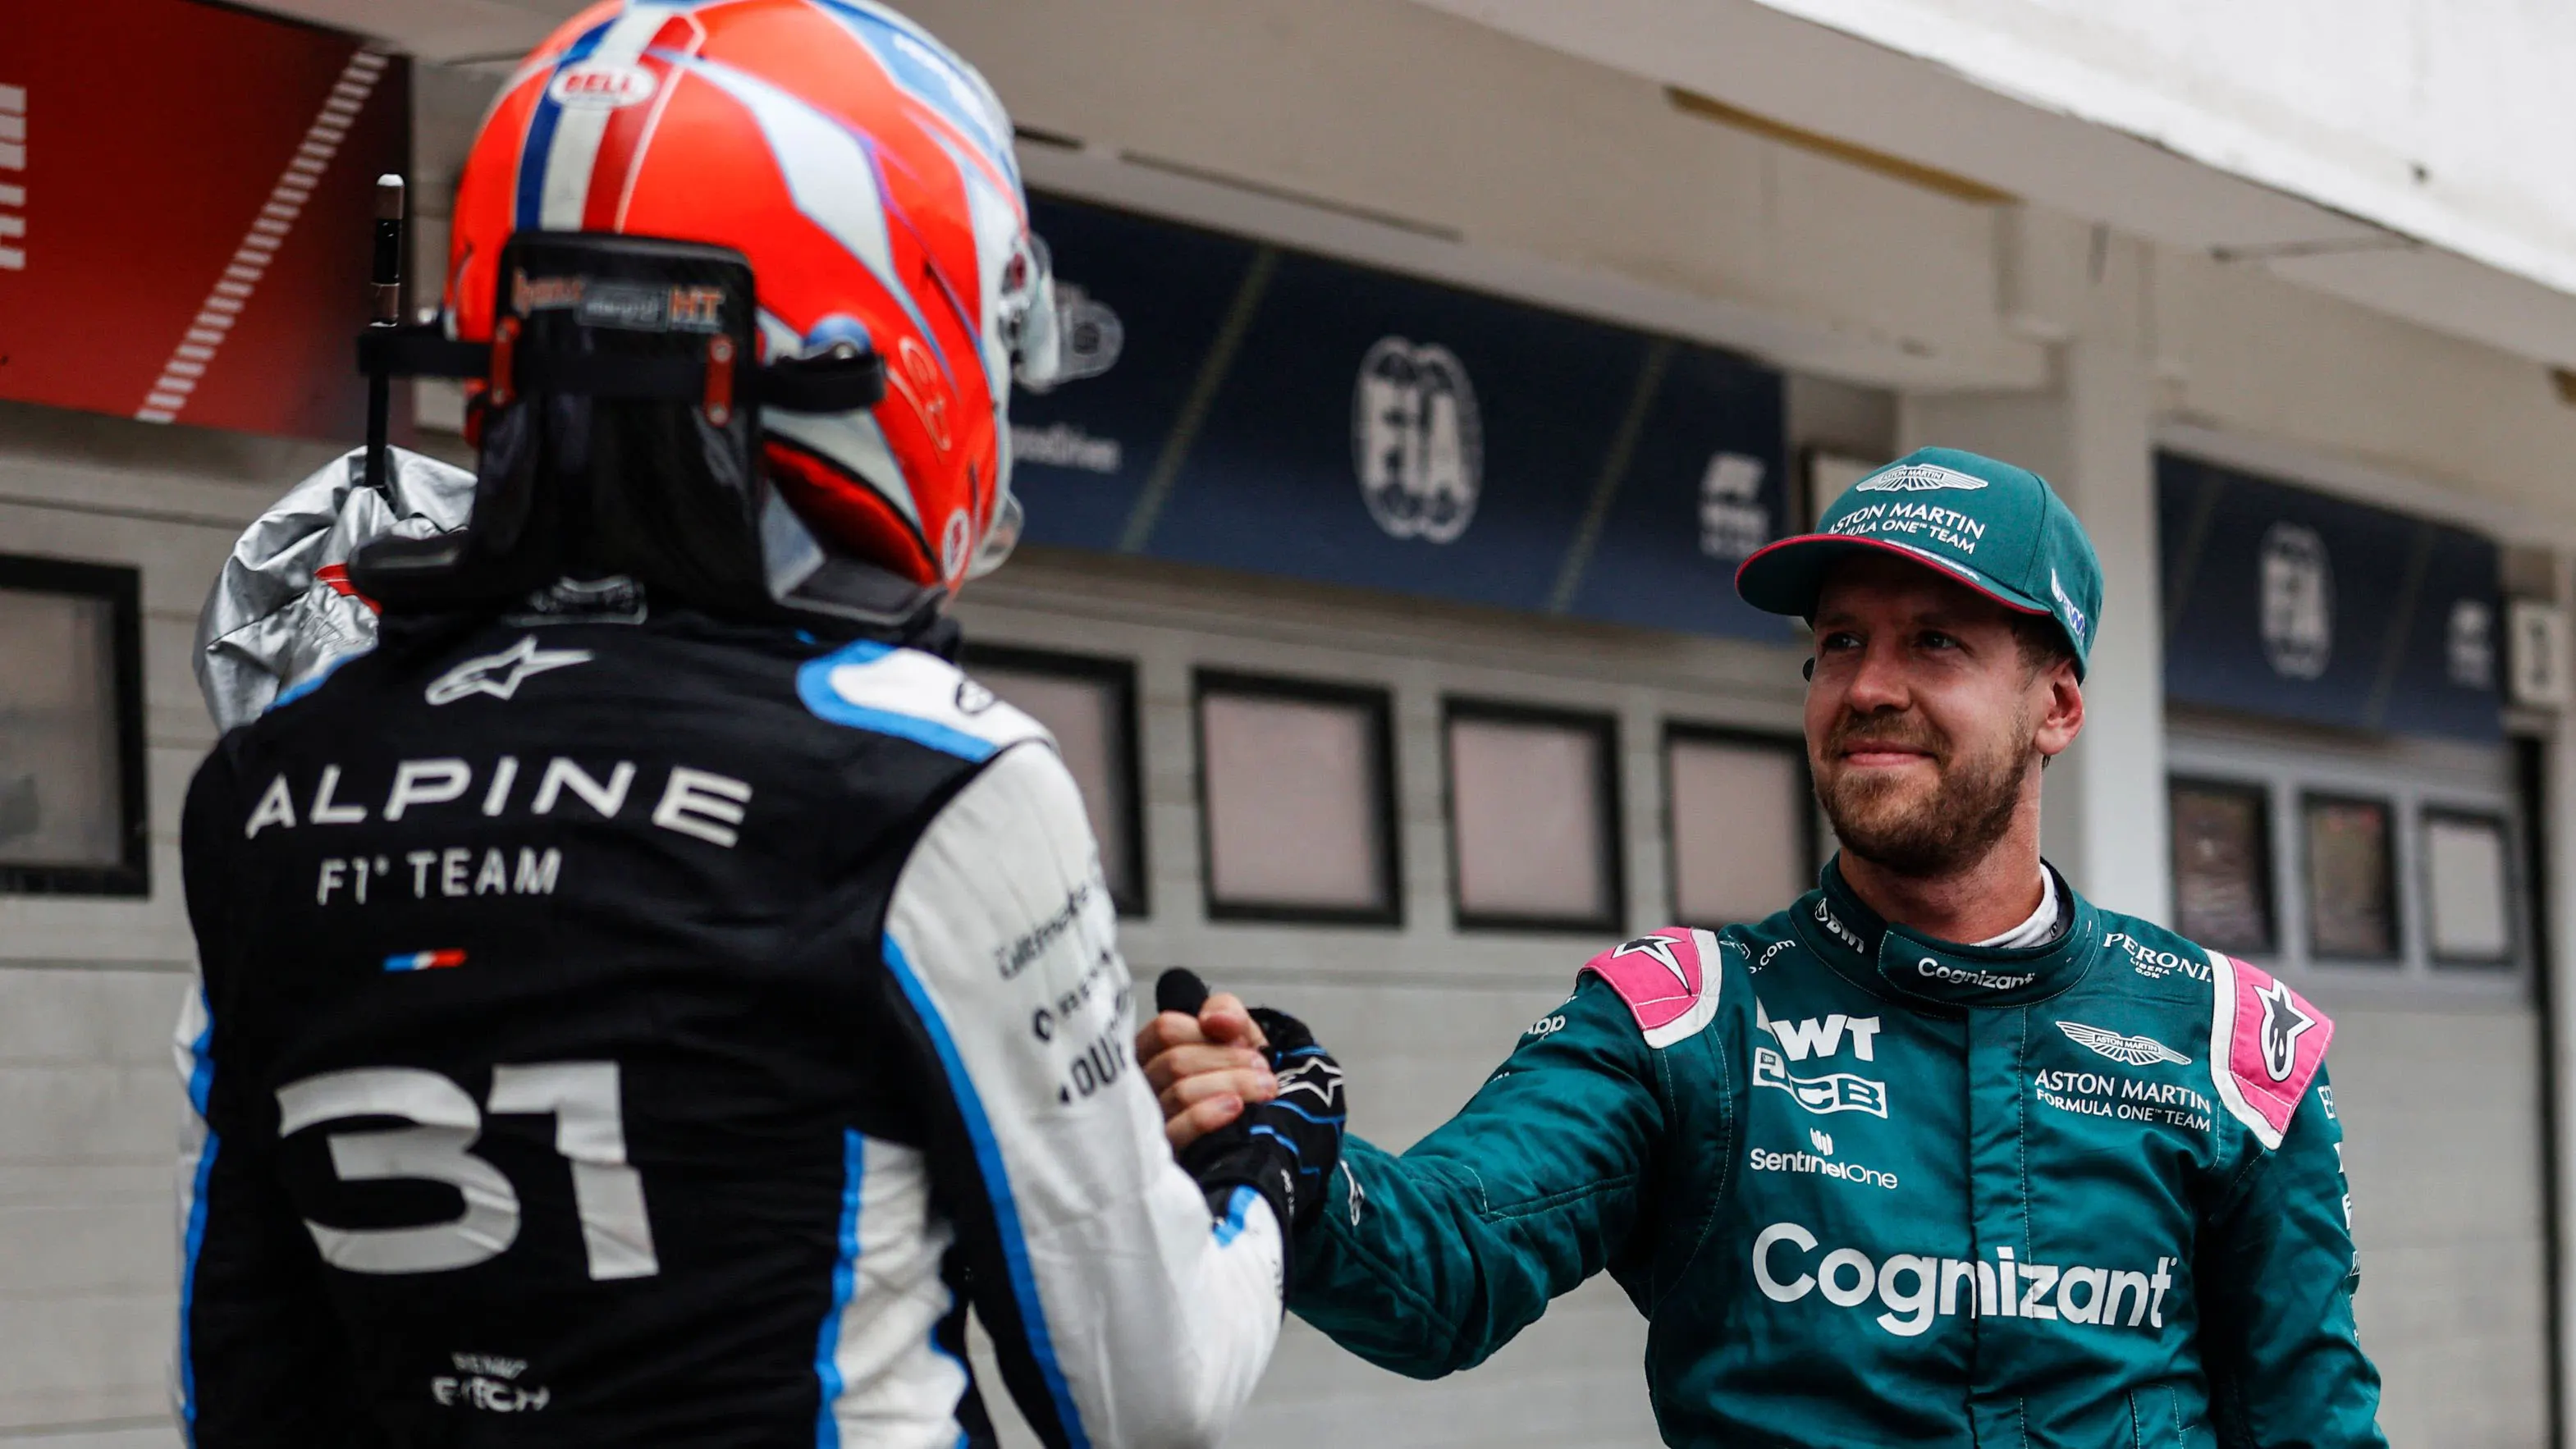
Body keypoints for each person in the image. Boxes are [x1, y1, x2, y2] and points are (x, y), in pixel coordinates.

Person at [171, 4, 1341, 1445]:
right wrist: (1263, 1163)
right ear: (886, 325)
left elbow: (240, 1373)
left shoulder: (277, 771)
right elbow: (1142, 1393)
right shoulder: (925, 768)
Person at [1141, 447, 2387, 1447]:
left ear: (2055, 704)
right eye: (1840, 640)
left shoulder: (2227, 1043)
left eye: (1934, 640)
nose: (1867, 685)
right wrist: (1289, 1155)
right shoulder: (1685, 1018)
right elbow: (1449, 1263)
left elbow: (2311, 1422)